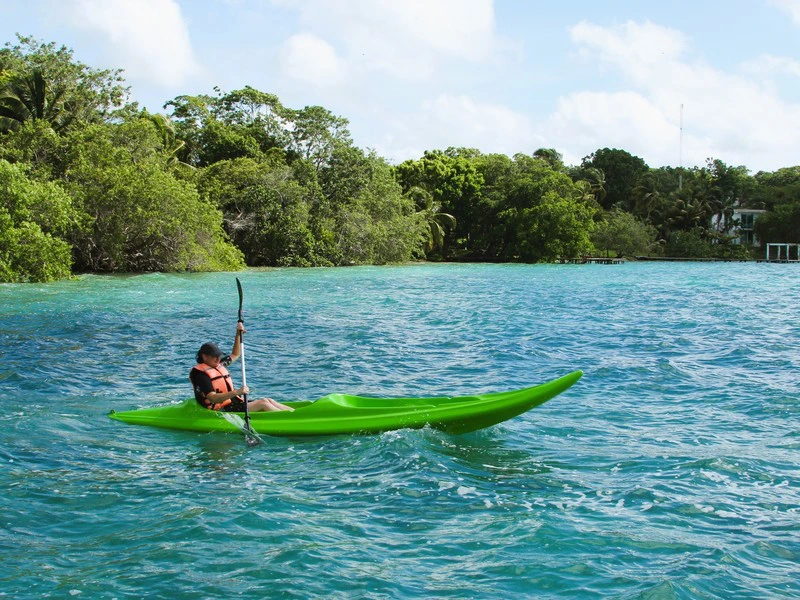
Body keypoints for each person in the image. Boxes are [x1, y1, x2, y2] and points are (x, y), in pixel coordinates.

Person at [190, 322, 294, 412]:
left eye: (219, 356)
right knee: (263, 403)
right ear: (204, 356)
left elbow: (235, 354)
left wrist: (238, 334)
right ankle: (289, 419)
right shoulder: (201, 375)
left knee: (268, 400)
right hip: (221, 409)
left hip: (232, 403)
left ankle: (295, 413)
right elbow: (212, 398)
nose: (218, 359)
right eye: (214, 357)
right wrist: (237, 392)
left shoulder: (218, 365)